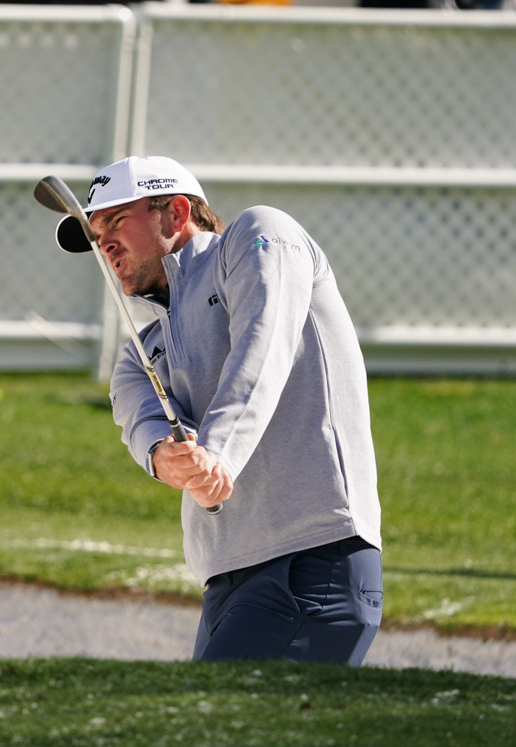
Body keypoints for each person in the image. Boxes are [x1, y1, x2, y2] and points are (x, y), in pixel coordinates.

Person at [52, 156, 382, 664]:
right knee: (219, 738)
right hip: (226, 581)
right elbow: (145, 427)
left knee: (226, 736)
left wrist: (219, 455)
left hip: (314, 557)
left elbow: (262, 348)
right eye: (97, 236)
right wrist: (167, 456)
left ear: (177, 212)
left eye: (116, 222)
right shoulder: (137, 357)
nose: (106, 246)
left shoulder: (259, 236)